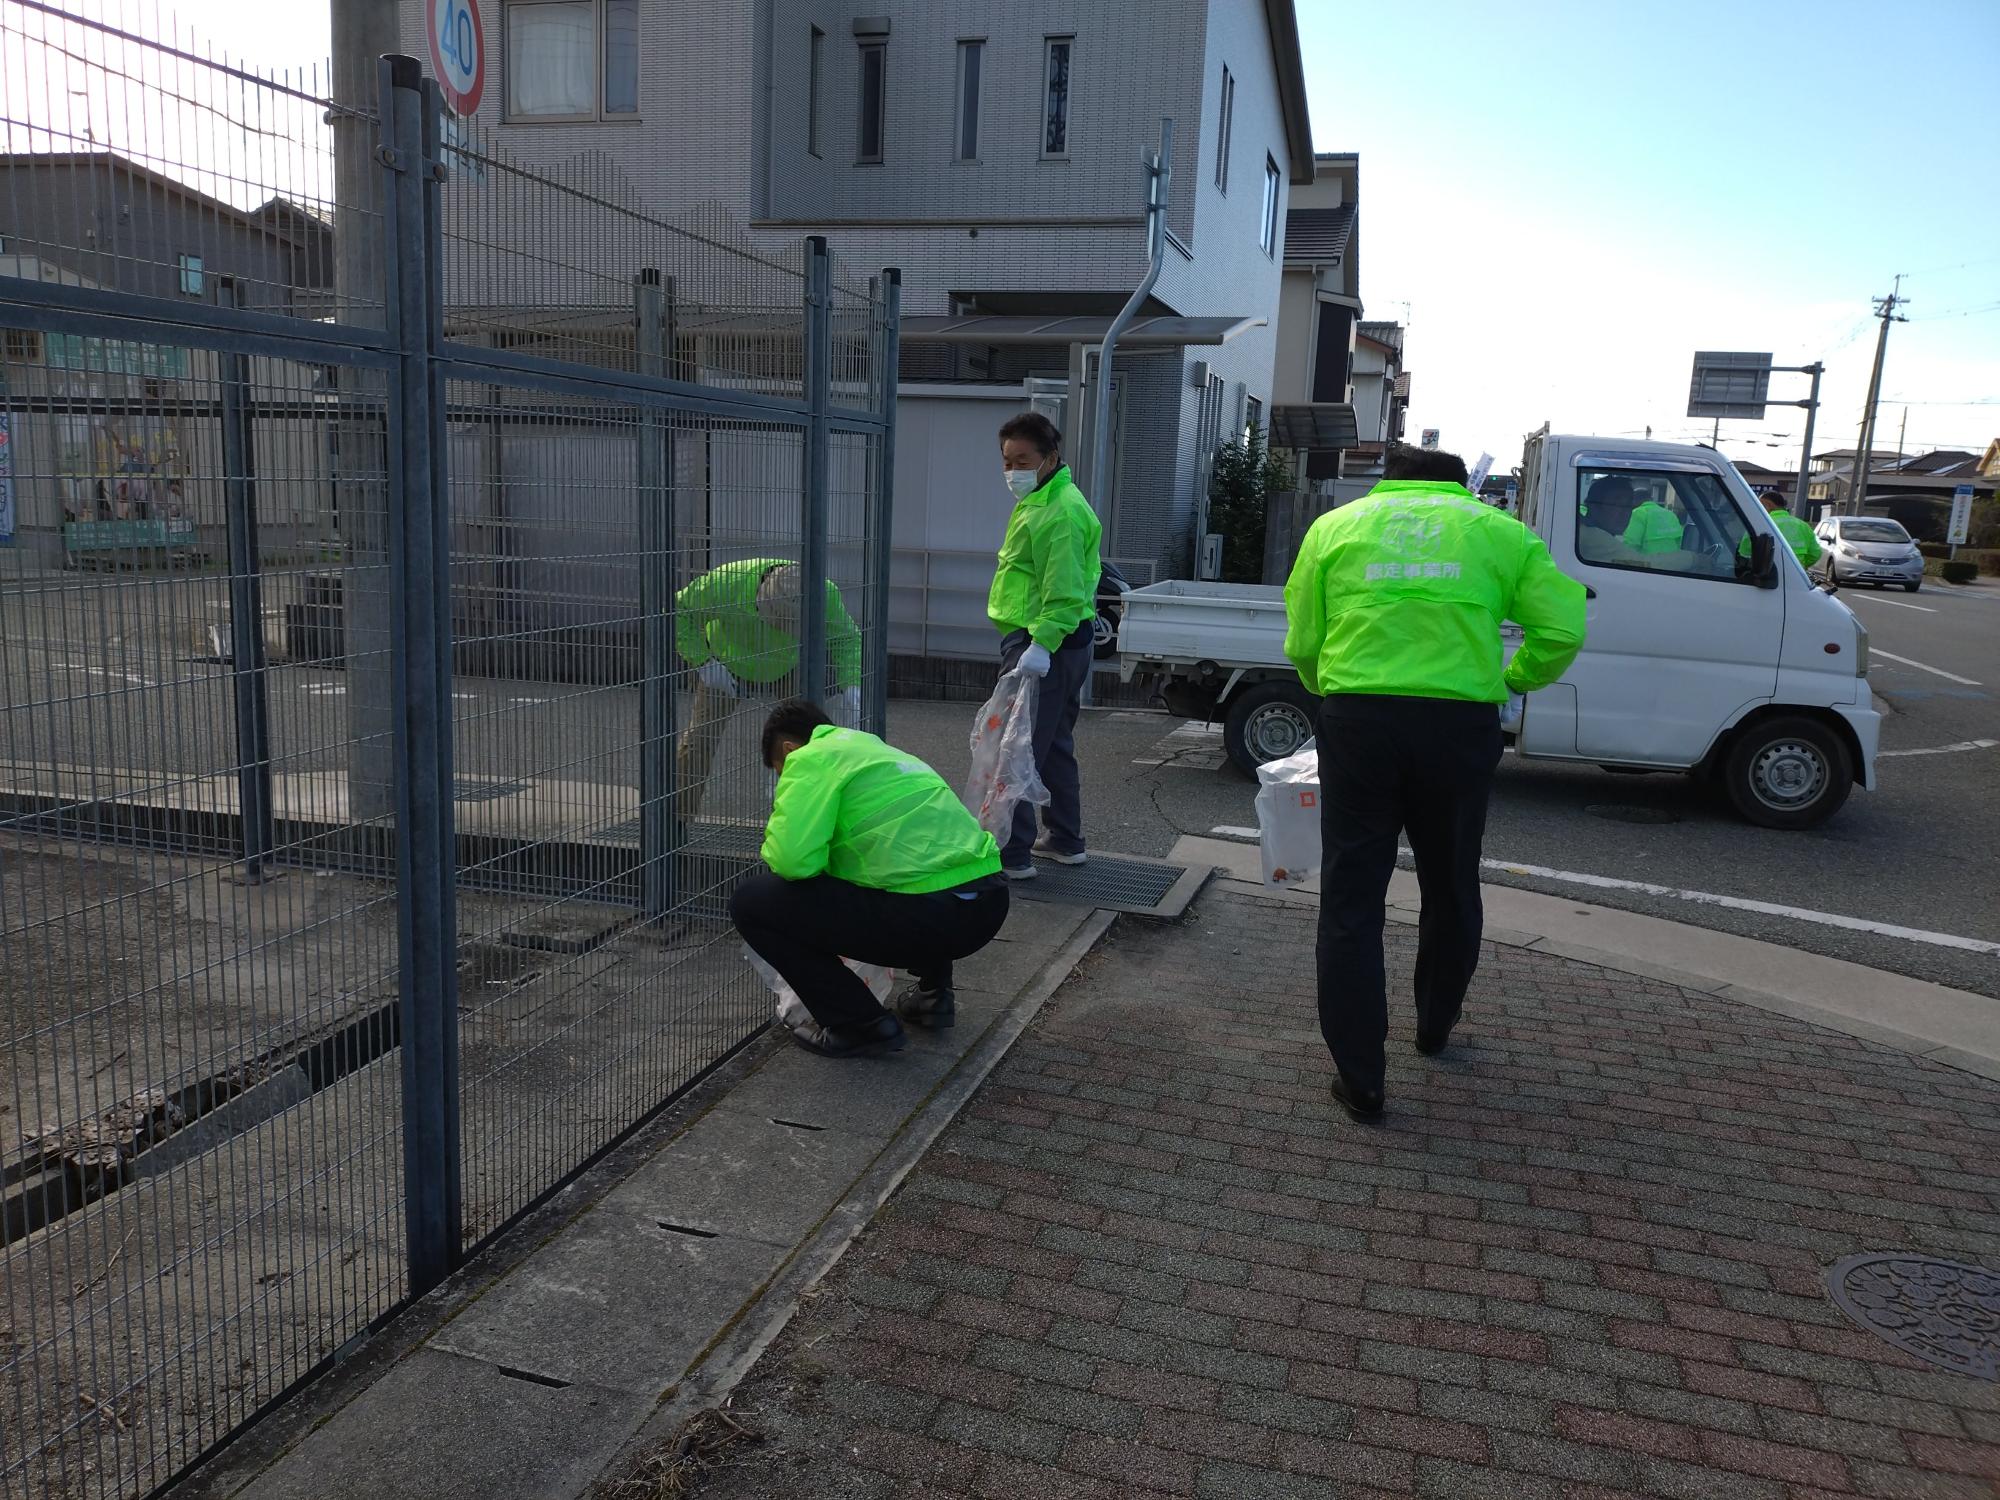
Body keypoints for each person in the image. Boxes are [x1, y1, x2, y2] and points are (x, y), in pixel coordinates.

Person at [1283, 442, 1587, 1122]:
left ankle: (1361, 1079)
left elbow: (1303, 639)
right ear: (1461, 487)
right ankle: (1434, 1026)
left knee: (1352, 894)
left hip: (1359, 716)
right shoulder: (1499, 532)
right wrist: (1511, 679)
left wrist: (1329, 689)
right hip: (1459, 721)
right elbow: (1563, 628)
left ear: (1389, 481)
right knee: (1450, 881)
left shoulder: (1336, 527)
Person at [730, 700, 1010, 1058]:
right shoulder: (875, 751)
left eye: (780, 771)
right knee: (914, 868)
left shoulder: (810, 758)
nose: (783, 780)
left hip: (931, 919)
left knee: (752, 901)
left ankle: (859, 1025)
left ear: (788, 749)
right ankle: (933, 995)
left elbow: (793, 862)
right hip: (988, 904)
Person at [987, 412, 1102, 880]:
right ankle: (1064, 839)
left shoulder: (1059, 512)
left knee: (1015, 747)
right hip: (1056, 641)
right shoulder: (1043, 499)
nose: (1011, 471)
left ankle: (1012, 854)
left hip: (1043, 642)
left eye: (1022, 461)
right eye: (1006, 461)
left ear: (1049, 458)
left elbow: (1065, 590)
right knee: (1051, 744)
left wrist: (1041, 645)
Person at [674, 559, 862, 819]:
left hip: (787, 664)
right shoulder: (727, 581)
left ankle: (800, 816)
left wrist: (852, 683)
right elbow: (679, 610)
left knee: (808, 741)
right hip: (725, 663)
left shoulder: (823, 592)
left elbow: (845, 638)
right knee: (699, 740)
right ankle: (677, 821)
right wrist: (704, 663)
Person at [1741, 490, 1824, 569]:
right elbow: (1815, 554)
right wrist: (1800, 566)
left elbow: (1744, 552)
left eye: (1760, 505)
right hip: (1796, 576)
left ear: (1769, 505)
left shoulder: (1760, 524)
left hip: (1767, 576)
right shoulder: (1803, 526)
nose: (1758, 509)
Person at [1621, 485, 1684, 554]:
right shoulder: (1670, 514)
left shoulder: (1638, 513)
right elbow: (1679, 541)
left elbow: (1631, 542)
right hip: (1672, 558)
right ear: (1650, 499)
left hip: (1649, 559)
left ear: (1634, 500)